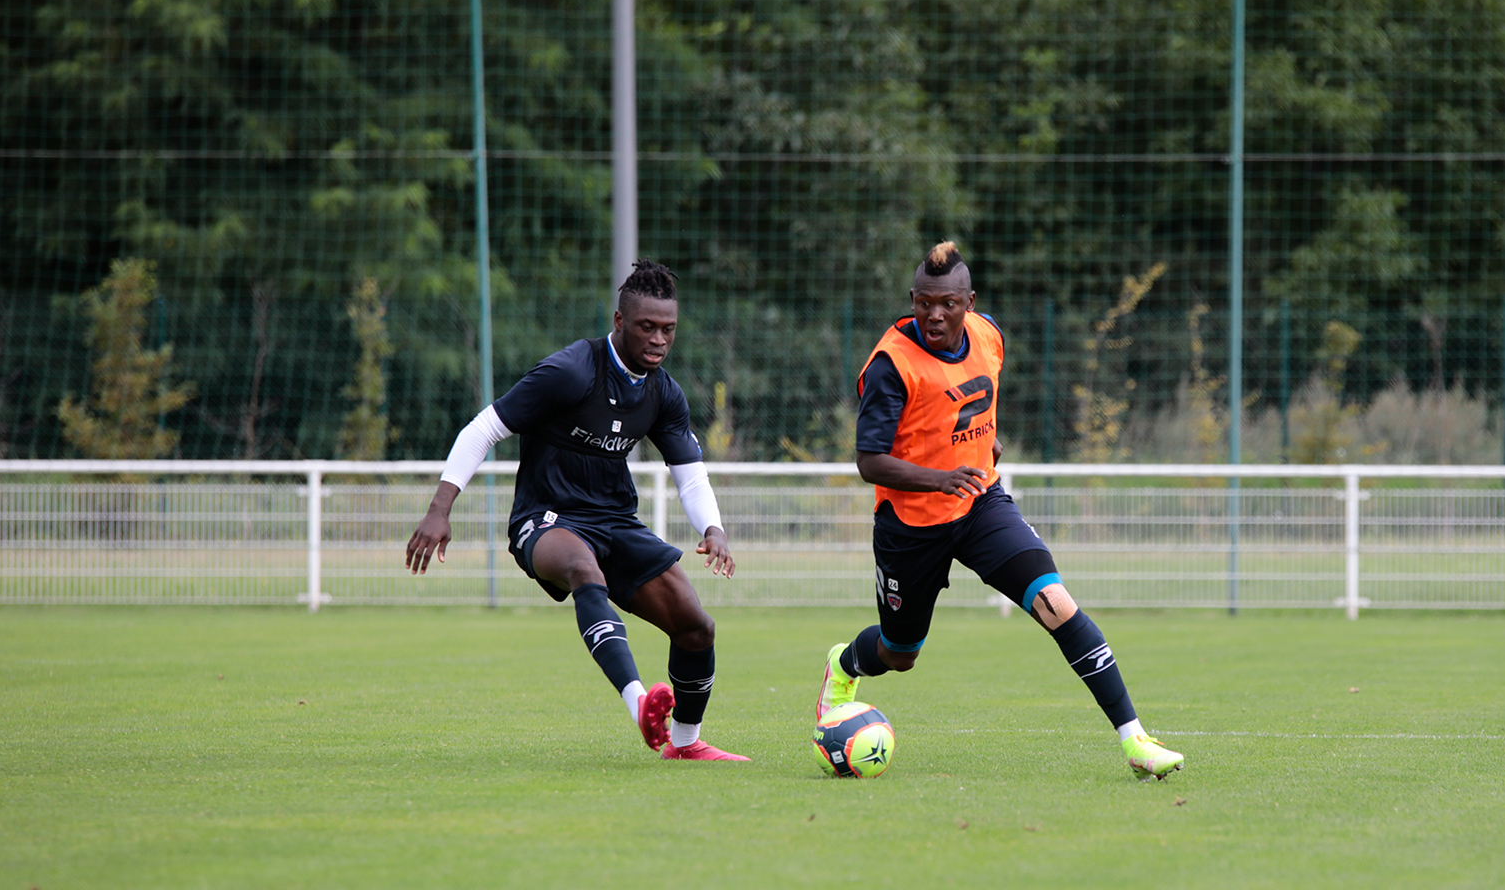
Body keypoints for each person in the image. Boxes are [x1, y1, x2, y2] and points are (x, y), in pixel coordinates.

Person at [816, 241, 1184, 780]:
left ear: (969, 302)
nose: (935, 315)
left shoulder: (989, 335)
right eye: (924, 303)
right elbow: (870, 462)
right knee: (900, 652)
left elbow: (974, 401)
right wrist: (942, 476)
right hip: (911, 528)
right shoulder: (891, 366)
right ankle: (843, 664)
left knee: (1057, 604)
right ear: (912, 300)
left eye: (948, 304)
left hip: (981, 504)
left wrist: (986, 444)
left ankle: (1136, 742)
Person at [406, 258, 747, 762]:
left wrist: (713, 528)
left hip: (614, 521)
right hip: (545, 519)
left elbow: (689, 472)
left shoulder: (662, 392)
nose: (658, 339)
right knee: (585, 570)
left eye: (668, 329)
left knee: (696, 625)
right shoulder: (571, 371)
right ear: (619, 322)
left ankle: (684, 744)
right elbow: (483, 429)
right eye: (646, 327)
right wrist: (440, 509)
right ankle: (639, 704)